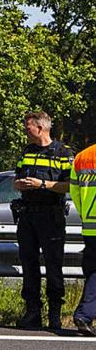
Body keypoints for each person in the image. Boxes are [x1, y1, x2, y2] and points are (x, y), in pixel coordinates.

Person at [12, 111, 75, 329]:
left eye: (28, 126)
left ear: (41, 128)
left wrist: (42, 185)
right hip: (27, 214)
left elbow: (70, 185)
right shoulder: (27, 151)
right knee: (29, 264)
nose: (25, 130)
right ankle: (32, 312)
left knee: (53, 266)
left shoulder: (64, 153)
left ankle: (55, 314)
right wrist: (19, 184)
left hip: (51, 215)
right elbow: (16, 176)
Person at [70, 144, 96, 336]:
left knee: (93, 272)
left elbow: (75, 193)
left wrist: (86, 216)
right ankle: (84, 315)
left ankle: (85, 315)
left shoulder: (82, 156)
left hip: (90, 227)